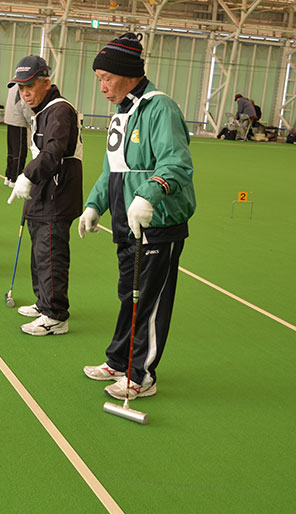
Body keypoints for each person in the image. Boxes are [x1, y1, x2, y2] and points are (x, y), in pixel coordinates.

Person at [79, 32, 196, 400]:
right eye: (98, 79)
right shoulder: (123, 112)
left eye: (106, 78)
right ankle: (119, 359)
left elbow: (176, 164)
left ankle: (141, 374)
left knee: (147, 300)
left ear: (129, 74)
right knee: (128, 296)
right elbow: (111, 168)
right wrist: (95, 204)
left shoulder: (160, 108)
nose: (102, 87)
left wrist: (148, 195)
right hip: (125, 224)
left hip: (157, 224)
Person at [5, 56, 83, 336]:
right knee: (39, 250)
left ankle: (55, 315)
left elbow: (54, 152)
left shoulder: (59, 110)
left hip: (57, 193)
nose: (24, 93)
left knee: (51, 253)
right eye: (20, 88)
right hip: (43, 192)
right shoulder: (43, 111)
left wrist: (27, 175)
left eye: (29, 86)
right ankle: (44, 303)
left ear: (46, 83)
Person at [2, 83, 31, 188]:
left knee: (12, 152)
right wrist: (31, 121)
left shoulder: (12, 85)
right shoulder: (23, 86)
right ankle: (15, 179)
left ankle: (8, 177)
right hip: (19, 122)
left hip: (10, 119)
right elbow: (25, 106)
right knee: (20, 153)